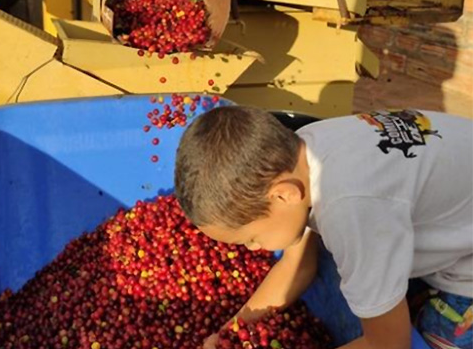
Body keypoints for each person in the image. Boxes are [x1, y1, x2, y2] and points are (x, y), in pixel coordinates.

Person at [175, 105, 473, 349]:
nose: (253, 248)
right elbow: (298, 265)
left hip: (466, 269)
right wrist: (232, 332)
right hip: (452, 210)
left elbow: (390, 345)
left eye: (251, 238)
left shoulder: (349, 210)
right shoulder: (304, 148)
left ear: (284, 194)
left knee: (437, 336)